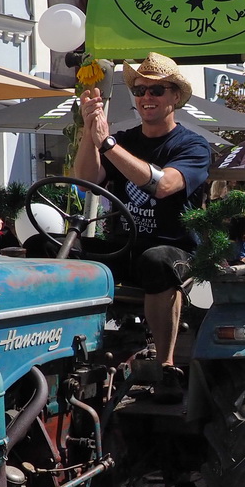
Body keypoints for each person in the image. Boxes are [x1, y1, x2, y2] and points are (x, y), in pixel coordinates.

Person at [72, 52, 211, 398]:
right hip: (124, 244)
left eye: (157, 90)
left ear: (175, 97)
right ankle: (61, 352)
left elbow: (163, 186)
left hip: (176, 248)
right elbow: (87, 178)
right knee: (53, 251)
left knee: (157, 260)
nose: (147, 97)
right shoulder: (126, 139)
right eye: (140, 90)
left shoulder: (193, 145)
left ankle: (164, 366)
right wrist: (89, 133)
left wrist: (107, 143)